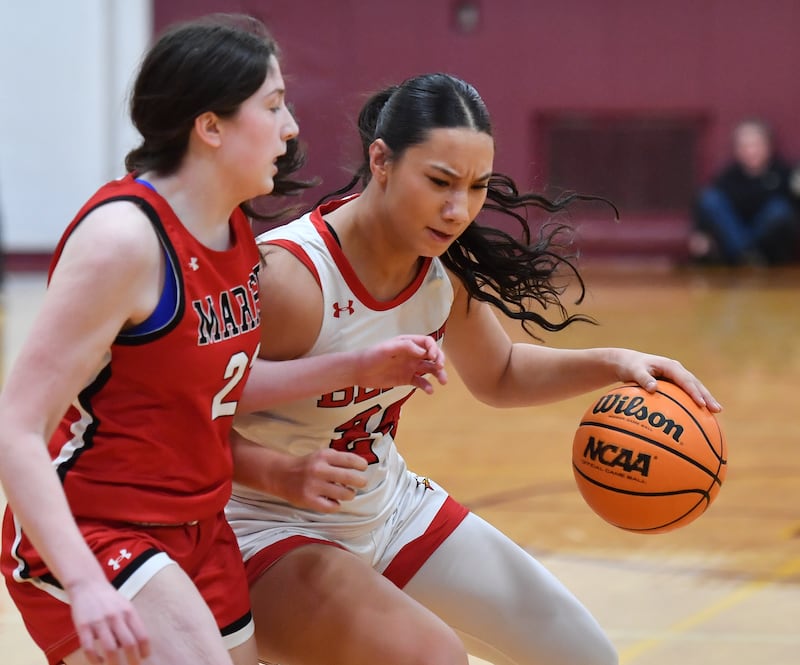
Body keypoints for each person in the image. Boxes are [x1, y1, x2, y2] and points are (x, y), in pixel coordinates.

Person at [227, 72, 723, 665]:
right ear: (380, 161)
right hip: (264, 524)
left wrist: (618, 362)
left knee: (584, 656)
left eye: (477, 187)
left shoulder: (438, 273)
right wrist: (280, 474)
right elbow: (178, 426)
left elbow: (502, 372)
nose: (458, 209)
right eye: (439, 181)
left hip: (385, 510)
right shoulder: (290, 280)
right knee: (432, 659)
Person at [0, 17, 445, 665]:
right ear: (210, 127)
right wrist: (86, 583)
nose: (291, 127)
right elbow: (16, 428)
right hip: (98, 527)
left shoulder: (231, 230)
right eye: (272, 105)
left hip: (200, 529)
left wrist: (362, 363)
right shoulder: (122, 241)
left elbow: (222, 384)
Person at [688, 117, 799, 266]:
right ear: (736, 149)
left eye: (756, 145)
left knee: (779, 210)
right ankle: (746, 256)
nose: (751, 151)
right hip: (732, 246)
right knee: (710, 199)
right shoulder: (727, 176)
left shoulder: (785, 174)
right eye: (745, 146)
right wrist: (700, 233)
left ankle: (748, 255)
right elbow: (706, 207)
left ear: (769, 145)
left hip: (770, 252)